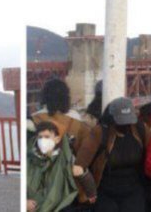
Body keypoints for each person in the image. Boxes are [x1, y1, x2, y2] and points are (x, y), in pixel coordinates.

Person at [31, 78, 94, 207]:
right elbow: (86, 155)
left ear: (45, 97)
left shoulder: (34, 120)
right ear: (66, 97)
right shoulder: (78, 123)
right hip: (70, 185)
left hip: (42, 185)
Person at [86, 97, 147, 212]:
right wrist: (90, 191)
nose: (126, 125)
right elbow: (80, 166)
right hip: (105, 192)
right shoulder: (100, 132)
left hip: (134, 191)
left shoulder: (140, 129)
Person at [27, 120, 79, 212]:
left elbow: (54, 194)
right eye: (40, 137)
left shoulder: (65, 160)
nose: (43, 140)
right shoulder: (31, 158)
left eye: (47, 137)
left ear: (57, 139)